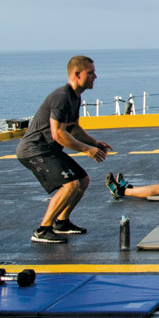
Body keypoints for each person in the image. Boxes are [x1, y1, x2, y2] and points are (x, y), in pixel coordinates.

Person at [16, 56, 112, 243]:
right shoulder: (61, 97)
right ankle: (43, 229)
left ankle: (62, 222)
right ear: (77, 74)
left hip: (48, 150)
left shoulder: (74, 97)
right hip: (34, 150)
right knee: (71, 185)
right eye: (90, 73)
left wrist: (95, 143)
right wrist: (87, 150)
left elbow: (73, 128)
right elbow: (58, 134)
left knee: (82, 180)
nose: (95, 76)